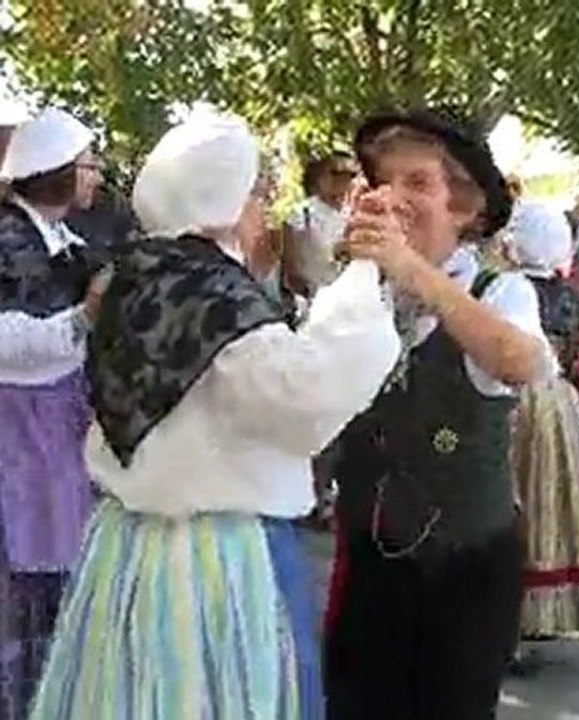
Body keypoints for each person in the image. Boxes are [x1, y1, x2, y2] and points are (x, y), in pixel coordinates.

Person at [28, 112, 402, 719]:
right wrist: (363, 277)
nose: (262, 211)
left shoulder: (133, 277)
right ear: (223, 203)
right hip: (214, 565)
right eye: (257, 194)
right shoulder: (215, 298)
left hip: (126, 547)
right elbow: (305, 397)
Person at [324, 108, 550, 720]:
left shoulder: (501, 291)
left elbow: (519, 361)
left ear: (466, 209)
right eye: (385, 183)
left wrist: (412, 270)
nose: (395, 199)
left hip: (464, 571)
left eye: (418, 184)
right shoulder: (356, 292)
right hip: (372, 560)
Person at [0, 107, 102, 719]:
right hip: (19, 431)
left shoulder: (65, 243)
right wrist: (82, 319)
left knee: (51, 582)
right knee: (22, 586)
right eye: (88, 166)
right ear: (59, 172)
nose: (95, 178)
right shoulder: (9, 243)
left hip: (51, 429)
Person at [505, 202, 579, 644]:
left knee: (516, 502)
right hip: (558, 402)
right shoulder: (571, 297)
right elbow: (578, 356)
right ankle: (541, 610)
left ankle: (513, 613)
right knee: (549, 502)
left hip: (517, 398)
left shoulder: (508, 288)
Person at [284, 151, 358, 295]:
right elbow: (291, 266)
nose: (343, 180)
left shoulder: (355, 213)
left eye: (350, 175)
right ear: (320, 177)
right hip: (316, 296)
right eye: (335, 173)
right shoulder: (301, 214)